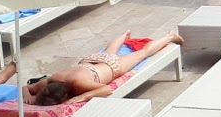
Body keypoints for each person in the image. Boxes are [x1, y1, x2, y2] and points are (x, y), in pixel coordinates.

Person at [24, 31, 185, 106]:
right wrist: (28, 96)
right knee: (110, 51)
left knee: (143, 53)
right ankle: (123, 34)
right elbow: (25, 87)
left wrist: (83, 96)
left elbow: (107, 89)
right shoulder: (50, 81)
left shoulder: (79, 84)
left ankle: (170, 36)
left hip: (111, 66)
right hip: (92, 61)